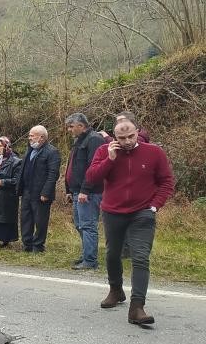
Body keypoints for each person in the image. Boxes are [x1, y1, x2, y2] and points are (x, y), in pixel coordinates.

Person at [87, 120, 174, 325]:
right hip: (113, 212)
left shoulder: (154, 152)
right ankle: (116, 290)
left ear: (137, 133)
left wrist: (154, 206)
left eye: (131, 137)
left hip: (142, 212)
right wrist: (109, 159)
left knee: (141, 257)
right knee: (112, 254)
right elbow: (91, 178)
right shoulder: (103, 150)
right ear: (114, 137)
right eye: (122, 138)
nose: (127, 141)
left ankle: (137, 307)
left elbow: (166, 181)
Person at [65, 113, 107, 269]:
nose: (69, 130)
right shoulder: (79, 141)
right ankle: (86, 254)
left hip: (90, 192)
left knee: (88, 225)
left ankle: (90, 260)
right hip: (77, 191)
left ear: (81, 126)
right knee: (79, 224)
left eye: (71, 126)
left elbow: (93, 168)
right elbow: (73, 166)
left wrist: (85, 190)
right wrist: (69, 189)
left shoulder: (94, 140)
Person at [17, 125, 61, 253]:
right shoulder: (30, 150)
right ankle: (27, 244)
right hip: (27, 191)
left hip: (41, 193)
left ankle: (38, 246)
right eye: (29, 136)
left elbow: (53, 174)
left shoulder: (52, 152)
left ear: (41, 137)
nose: (29, 138)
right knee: (25, 218)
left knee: (40, 220)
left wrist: (46, 192)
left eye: (32, 136)